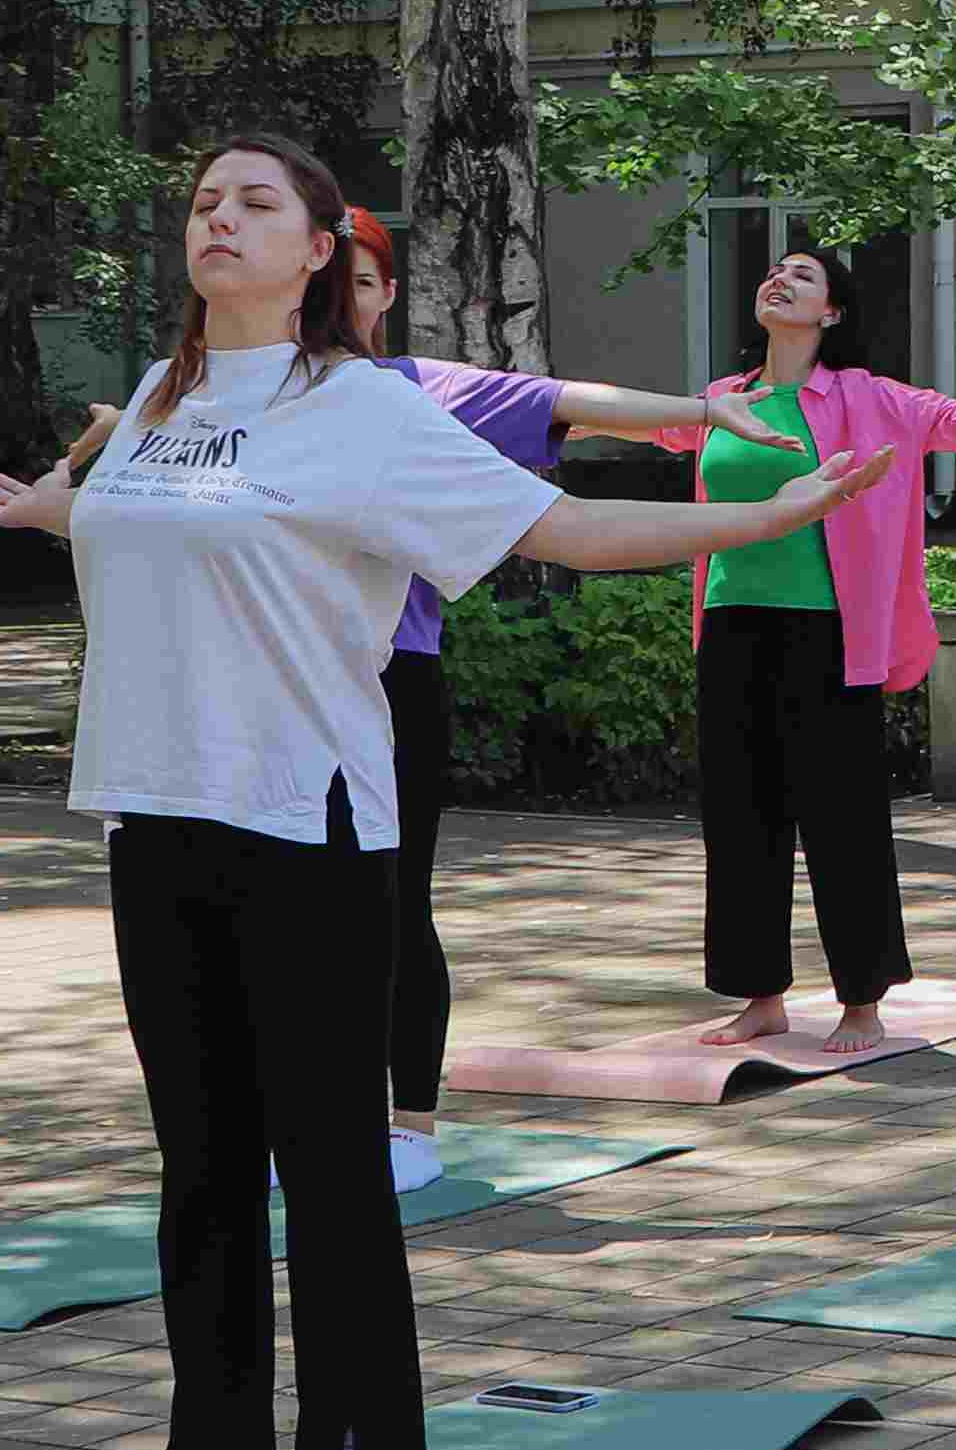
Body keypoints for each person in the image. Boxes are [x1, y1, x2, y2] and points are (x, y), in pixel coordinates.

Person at [0, 135, 889, 1450]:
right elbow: (144, 537)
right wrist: (52, 506)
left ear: (321, 248)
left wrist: (764, 512)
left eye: (255, 202)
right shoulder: (155, 396)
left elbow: (560, 525)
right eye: (204, 200)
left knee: (325, 1168)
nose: (220, 219)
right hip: (154, 814)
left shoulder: (365, 410)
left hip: (311, 825)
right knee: (197, 1165)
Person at [322, 208, 781, 1177]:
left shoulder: (412, 392)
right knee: (293, 914)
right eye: (329, 282)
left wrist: (697, 416)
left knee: (392, 906)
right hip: (274, 692)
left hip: (388, 681)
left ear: (388, 298)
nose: (342, 302)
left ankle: (408, 1125)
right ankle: (313, 1116)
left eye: (362, 284)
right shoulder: (248, 398)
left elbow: (559, 402)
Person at [651, 239, 956, 1055]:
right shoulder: (725, 398)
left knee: (841, 815)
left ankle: (861, 1001)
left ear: (830, 311)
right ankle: (760, 995)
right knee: (741, 816)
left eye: (801, 275)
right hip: (732, 620)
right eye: (774, 269)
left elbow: (954, 420)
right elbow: (643, 419)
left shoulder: (862, 395)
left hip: (827, 630)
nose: (778, 277)